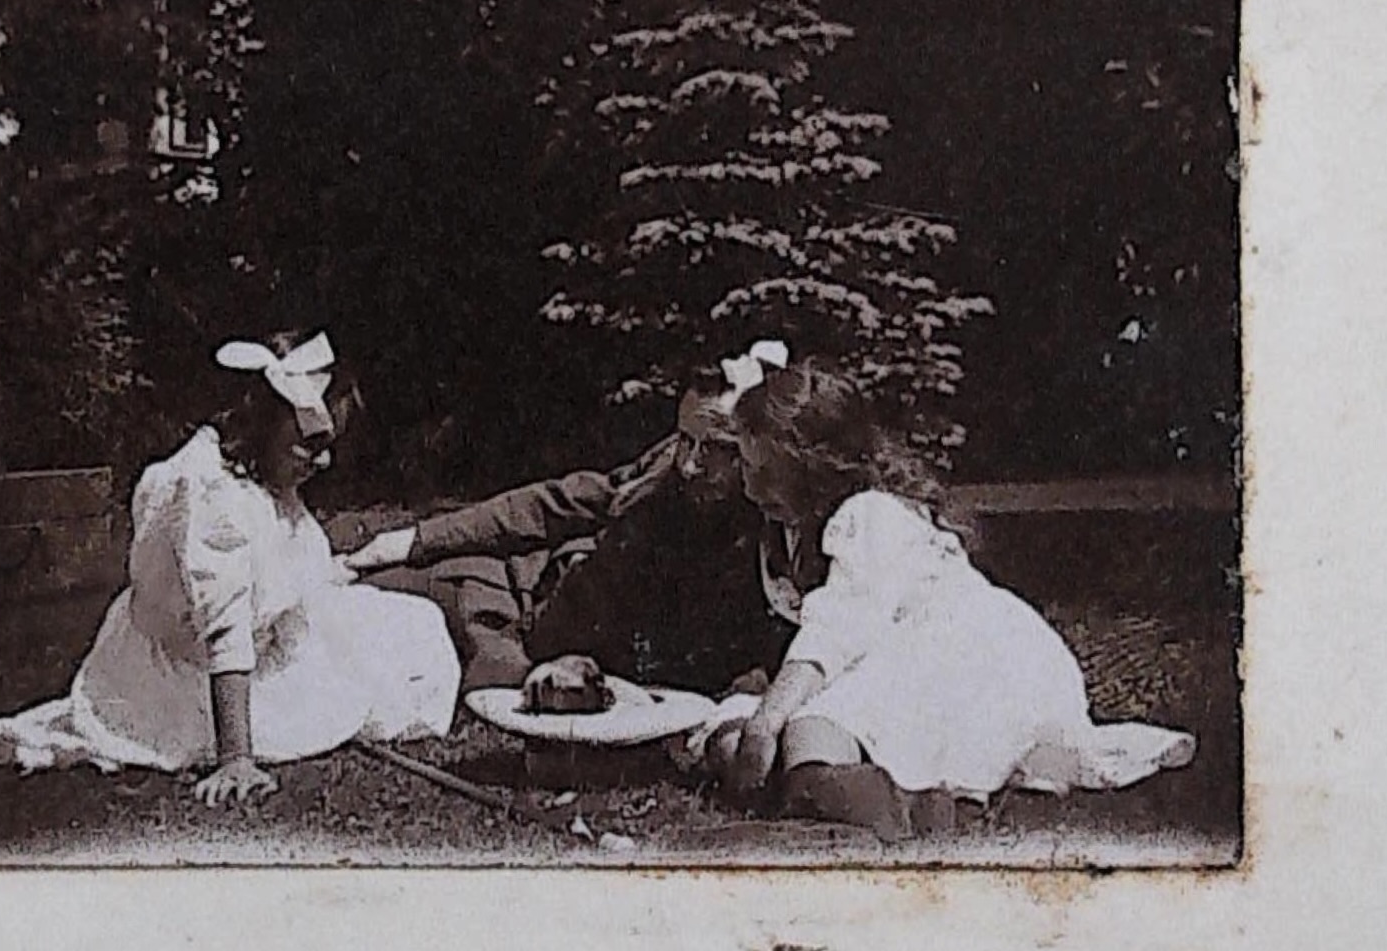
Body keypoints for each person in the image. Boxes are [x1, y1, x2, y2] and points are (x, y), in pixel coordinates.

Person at [698, 357, 1197, 837]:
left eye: (761, 468)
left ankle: (914, 811)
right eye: (746, 466)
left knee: (809, 733)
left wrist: (765, 723)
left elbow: (836, 633)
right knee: (809, 734)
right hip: (1004, 663)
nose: (748, 484)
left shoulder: (868, 513)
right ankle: (933, 798)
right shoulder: (838, 525)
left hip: (969, 654)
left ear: (812, 467)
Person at [0, 331, 461, 807]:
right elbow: (225, 628)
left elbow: (274, 573)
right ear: (263, 420)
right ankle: (229, 731)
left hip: (255, 639)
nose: (325, 460)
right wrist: (237, 757)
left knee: (412, 623)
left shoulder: (252, 477)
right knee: (390, 660)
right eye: (311, 442)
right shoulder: (212, 498)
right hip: (195, 678)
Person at [338, 341, 801, 695]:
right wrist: (414, 539)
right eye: (684, 440)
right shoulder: (665, 478)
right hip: (515, 592)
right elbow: (557, 503)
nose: (690, 465)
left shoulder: (787, 525)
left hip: (525, 635)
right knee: (339, 590)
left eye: (718, 450)